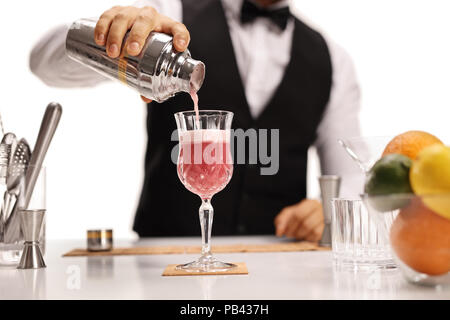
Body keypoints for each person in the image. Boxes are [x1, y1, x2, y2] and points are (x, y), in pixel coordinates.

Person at [30, 0, 361, 241]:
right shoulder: (169, 13)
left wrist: (326, 210)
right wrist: (109, 36)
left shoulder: (331, 57)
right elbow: (43, 63)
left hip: (280, 263)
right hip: (160, 263)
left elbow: (351, 174)